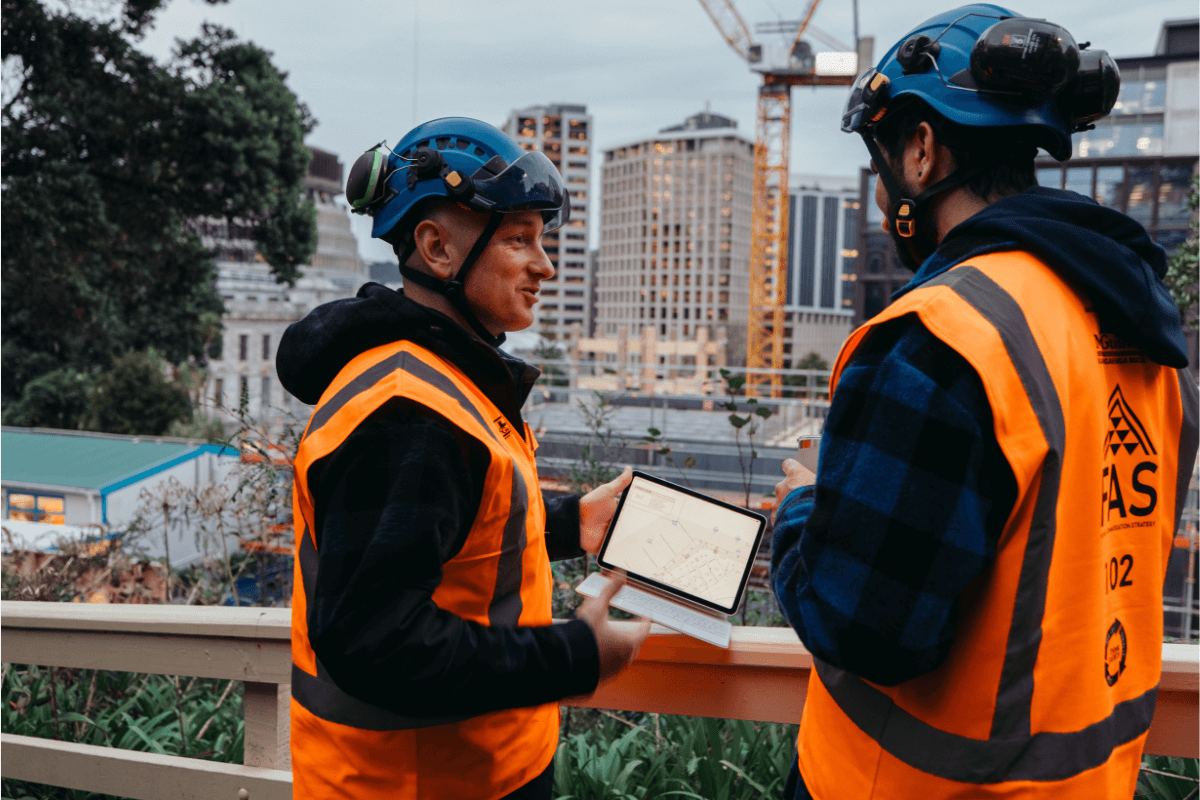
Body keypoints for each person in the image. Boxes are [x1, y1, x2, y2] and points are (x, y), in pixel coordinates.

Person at [770, 6, 1198, 798]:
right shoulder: (1148, 340)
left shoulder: (941, 337)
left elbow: (865, 628)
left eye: (882, 161)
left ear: (922, 151)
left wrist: (802, 510)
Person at [277, 117, 650, 800]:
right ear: (437, 247)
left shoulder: (439, 378)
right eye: (518, 239)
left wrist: (570, 524)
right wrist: (574, 655)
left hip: (473, 772)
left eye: (543, 238)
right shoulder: (407, 411)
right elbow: (375, 640)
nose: (545, 264)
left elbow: (450, 532)